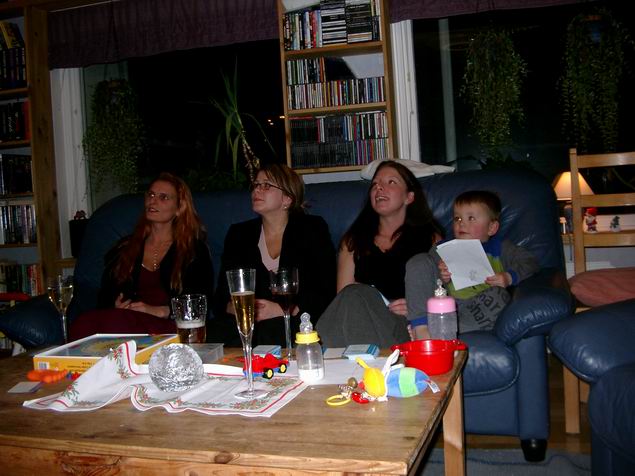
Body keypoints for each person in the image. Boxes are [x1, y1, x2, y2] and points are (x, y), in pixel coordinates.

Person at [69, 173, 214, 340]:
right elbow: (104, 297)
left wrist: (161, 311)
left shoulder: (193, 250)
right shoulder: (125, 247)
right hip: (127, 322)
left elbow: (199, 301)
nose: (153, 201)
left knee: (117, 324)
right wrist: (116, 305)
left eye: (163, 197)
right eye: (151, 195)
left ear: (179, 208)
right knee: (84, 322)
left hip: (171, 327)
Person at [317, 160, 443, 348]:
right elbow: (341, 301)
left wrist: (418, 307)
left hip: (409, 326)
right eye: (375, 184)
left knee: (353, 295)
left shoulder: (430, 238)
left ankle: (319, 354)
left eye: (391, 182)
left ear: (409, 197)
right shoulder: (353, 241)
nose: (379, 188)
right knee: (352, 294)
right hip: (361, 322)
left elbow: (444, 290)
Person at [212, 163, 336, 347]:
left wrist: (283, 309)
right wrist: (238, 308)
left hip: (296, 321)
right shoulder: (239, 234)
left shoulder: (312, 229)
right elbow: (221, 296)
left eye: (266, 185)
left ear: (287, 198)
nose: (257, 190)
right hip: (246, 324)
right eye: (256, 184)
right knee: (213, 333)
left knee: (273, 332)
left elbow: (325, 288)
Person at [405, 190, 539, 339]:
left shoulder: (501, 248)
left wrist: (509, 277)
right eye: (457, 218)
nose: (461, 223)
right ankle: (421, 329)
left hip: (481, 308)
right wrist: (442, 277)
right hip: (446, 307)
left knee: (499, 295)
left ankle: (443, 332)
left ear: (491, 228)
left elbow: (530, 262)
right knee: (419, 261)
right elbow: (424, 279)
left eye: (471, 218)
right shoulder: (441, 249)